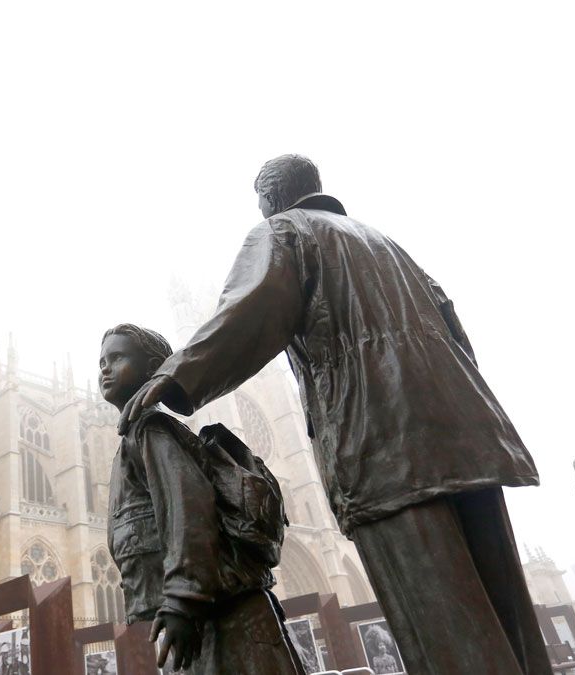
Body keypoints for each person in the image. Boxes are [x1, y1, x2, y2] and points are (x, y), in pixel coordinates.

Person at [121, 154, 552, 674]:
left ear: (271, 196)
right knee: (506, 611)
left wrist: (176, 374)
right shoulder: (385, 242)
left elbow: (251, 308)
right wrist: (471, 421)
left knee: (438, 618)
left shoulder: (284, 231)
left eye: (260, 198)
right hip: (469, 442)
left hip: (382, 442)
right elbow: (457, 336)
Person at [99, 324, 304, 674]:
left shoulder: (150, 429)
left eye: (117, 358)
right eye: (102, 361)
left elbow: (188, 506)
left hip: (219, 613)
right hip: (211, 613)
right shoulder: (137, 434)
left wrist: (182, 600)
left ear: (153, 368)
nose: (104, 367)